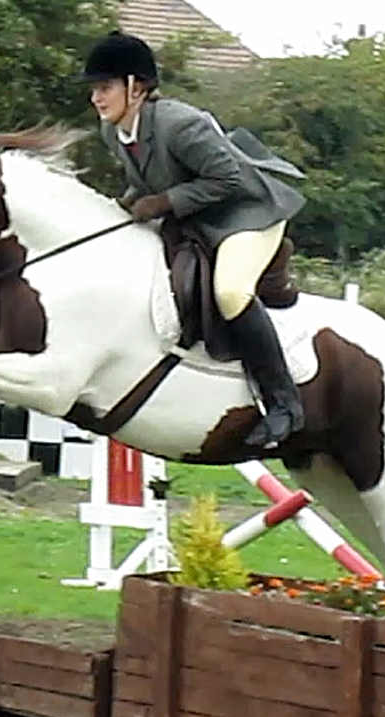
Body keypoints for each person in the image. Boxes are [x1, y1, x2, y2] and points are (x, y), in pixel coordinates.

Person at [79, 30, 307, 448]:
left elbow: (227, 178)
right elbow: (145, 180)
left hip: (247, 214)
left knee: (231, 292)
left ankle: (284, 404)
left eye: (105, 87)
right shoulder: (115, 131)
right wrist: (123, 207)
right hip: (200, 219)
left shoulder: (181, 124)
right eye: (94, 88)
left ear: (135, 86)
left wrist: (164, 201)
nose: (96, 98)